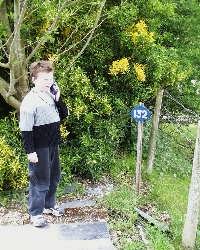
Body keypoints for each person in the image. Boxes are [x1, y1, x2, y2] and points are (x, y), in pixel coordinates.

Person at [19, 60, 68, 227]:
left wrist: (58, 99)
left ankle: (49, 205)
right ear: (34, 80)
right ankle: (35, 214)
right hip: (39, 148)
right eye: (44, 79)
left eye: (50, 78)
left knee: (54, 177)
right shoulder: (29, 101)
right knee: (40, 180)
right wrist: (30, 152)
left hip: (53, 143)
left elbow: (64, 114)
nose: (49, 82)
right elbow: (25, 130)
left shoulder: (50, 95)